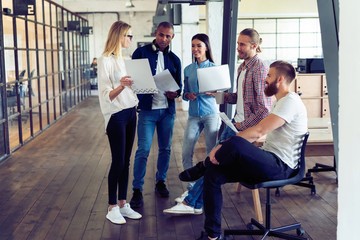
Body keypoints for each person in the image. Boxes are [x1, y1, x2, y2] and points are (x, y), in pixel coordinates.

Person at [179, 60, 308, 240]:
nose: (265, 79)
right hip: (268, 159)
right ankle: (213, 235)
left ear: (279, 80)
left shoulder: (290, 101)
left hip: (282, 166)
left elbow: (259, 131)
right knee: (213, 175)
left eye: (269, 76)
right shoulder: (279, 102)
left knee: (236, 142)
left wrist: (220, 147)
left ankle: (203, 165)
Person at [164, 28, 272, 215]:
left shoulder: (259, 68)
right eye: (238, 43)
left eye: (242, 44)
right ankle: (194, 200)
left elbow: (264, 108)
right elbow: (239, 97)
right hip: (234, 122)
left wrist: (241, 126)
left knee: (213, 159)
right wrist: (219, 96)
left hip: (243, 126)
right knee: (213, 161)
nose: (238, 47)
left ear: (254, 46)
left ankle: (192, 202)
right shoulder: (243, 67)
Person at [129, 21, 182, 208]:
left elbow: (179, 87)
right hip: (147, 110)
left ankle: (161, 181)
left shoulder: (175, 59)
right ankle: (137, 189)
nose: (164, 39)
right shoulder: (140, 53)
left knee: (166, 149)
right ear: (155, 33)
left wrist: (175, 93)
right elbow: (132, 79)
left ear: (172, 37)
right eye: (161, 35)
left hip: (167, 111)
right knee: (143, 149)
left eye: (168, 36)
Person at [98, 21, 142, 225]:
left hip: (131, 111)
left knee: (127, 160)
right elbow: (107, 95)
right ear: (119, 36)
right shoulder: (105, 60)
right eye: (128, 36)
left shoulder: (125, 59)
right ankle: (112, 206)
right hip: (116, 115)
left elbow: (130, 87)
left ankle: (123, 204)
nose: (130, 40)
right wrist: (123, 86)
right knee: (118, 161)